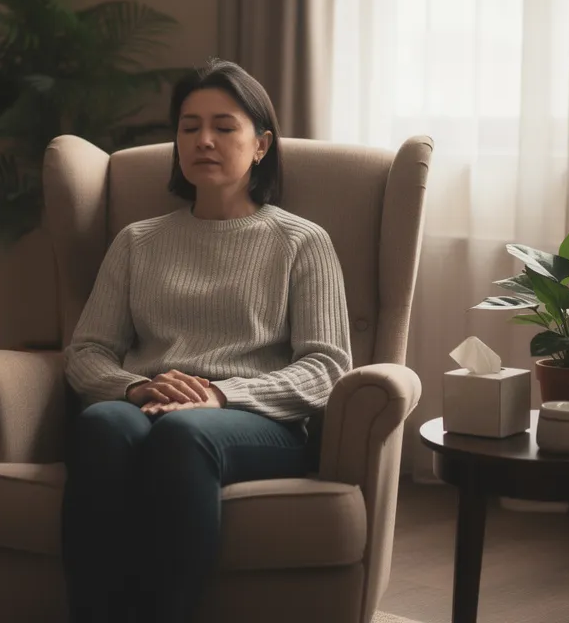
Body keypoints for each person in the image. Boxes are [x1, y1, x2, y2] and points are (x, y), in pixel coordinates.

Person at [61, 58, 354, 623]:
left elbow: (327, 368)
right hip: (149, 401)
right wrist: (136, 387)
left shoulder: (302, 242)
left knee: (183, 433)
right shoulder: (137, 242)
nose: (204, 140)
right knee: (99, 426)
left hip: (257, 420)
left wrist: (223, 396)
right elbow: (87, 352)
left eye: (224, 126)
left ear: (261, 144)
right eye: (190, 126)